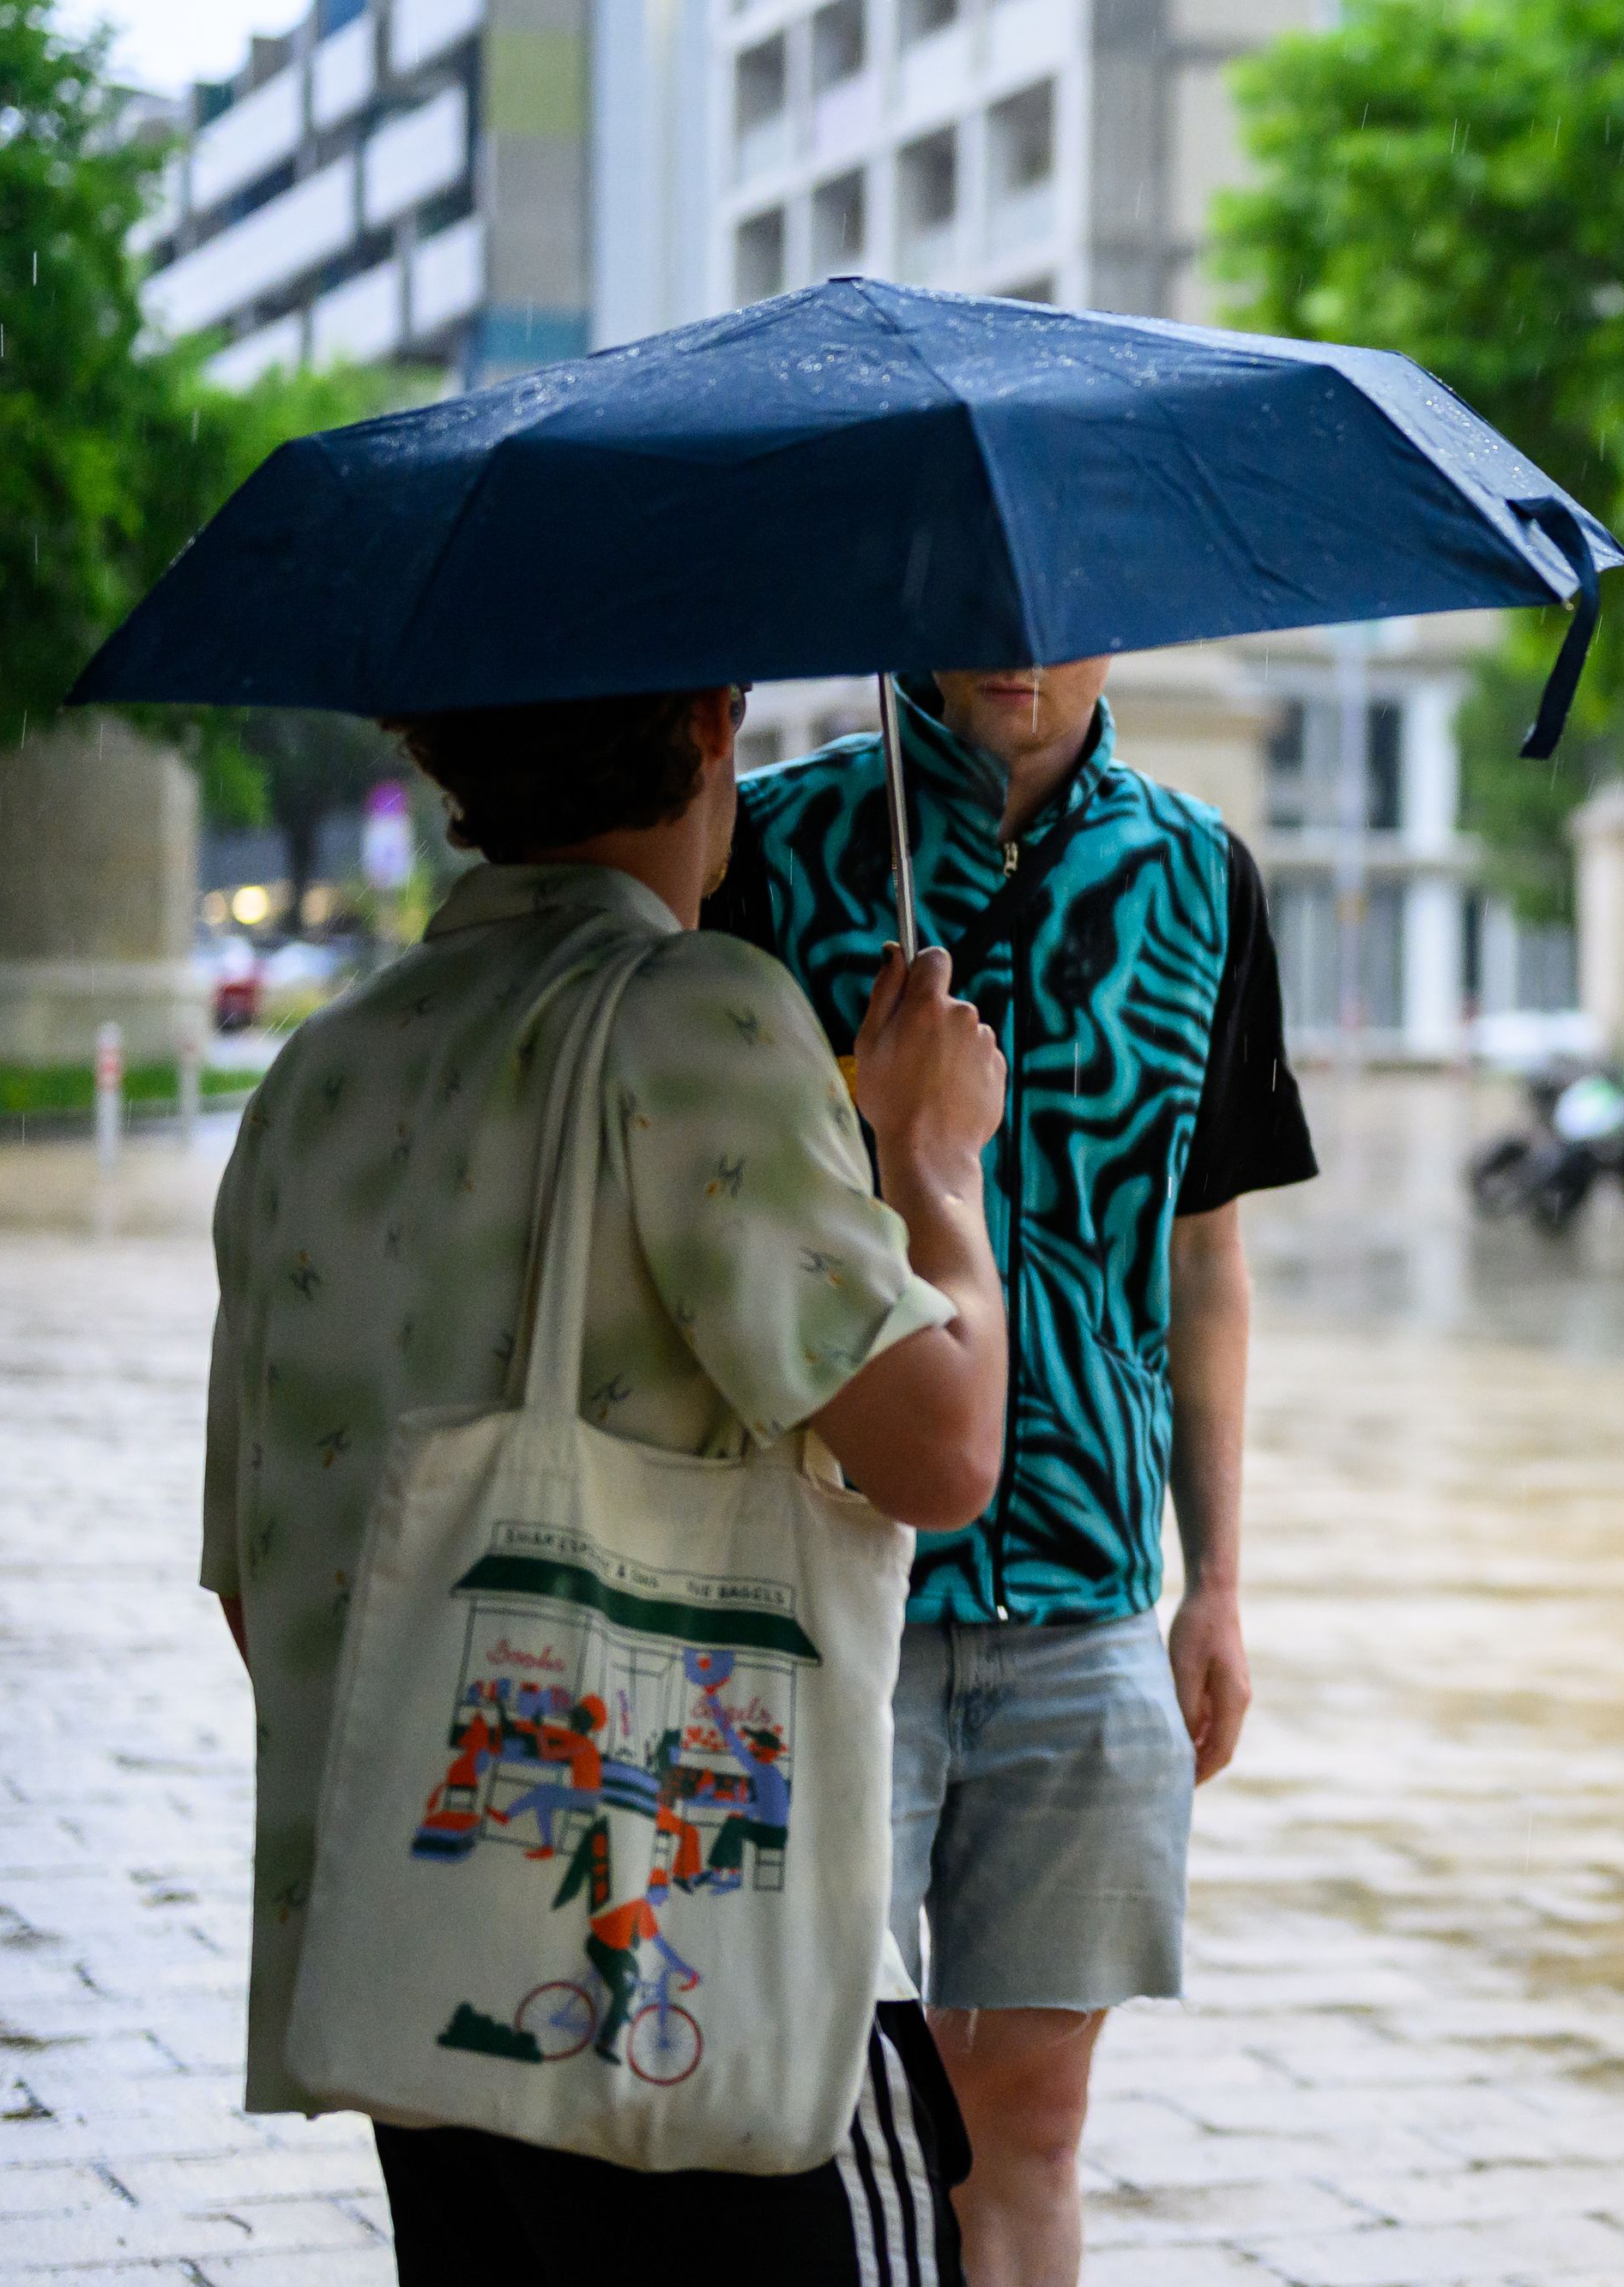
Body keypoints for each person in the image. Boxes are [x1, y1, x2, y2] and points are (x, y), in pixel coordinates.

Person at [203, 685, 1011, 2284]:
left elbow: (259, 1578)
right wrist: (931, 1162)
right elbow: (946, 1449)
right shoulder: (695, 1013)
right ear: (713, 728)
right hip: (679, 1969)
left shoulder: (319, 1073)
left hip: (416, 1970)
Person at [709, 663, 1315, 2287]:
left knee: (1031, 2131)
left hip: (1088, 1608)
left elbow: (1206, 1262)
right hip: (824, 1592)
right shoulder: (768, 852)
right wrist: (874, 1108)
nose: (1021, 643)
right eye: (973, 596)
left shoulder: (1200, 876)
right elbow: (704, 1198)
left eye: (1062, 601)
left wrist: (1220, 1585)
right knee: (799, 2108)